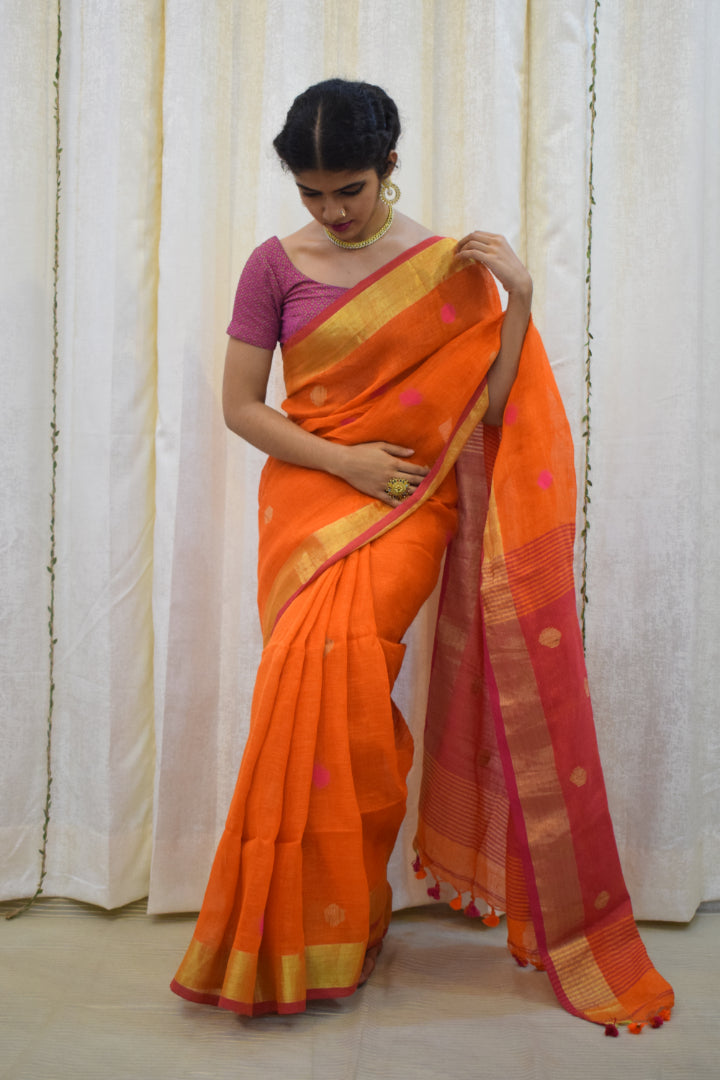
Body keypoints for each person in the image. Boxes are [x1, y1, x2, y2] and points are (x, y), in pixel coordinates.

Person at [171, 79, 673, 1032]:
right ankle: (325, 927)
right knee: (300, 681)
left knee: (347, 679)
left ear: (388, 167)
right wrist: (342, 460)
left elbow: (491, 410)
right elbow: (243, 409)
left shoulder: (449, 266)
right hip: (316, 492)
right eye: (313, 193)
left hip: (409, 498)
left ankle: (338, 918)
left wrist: (519, 296)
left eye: (349, 189)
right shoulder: (273, 267)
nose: (331, 211)